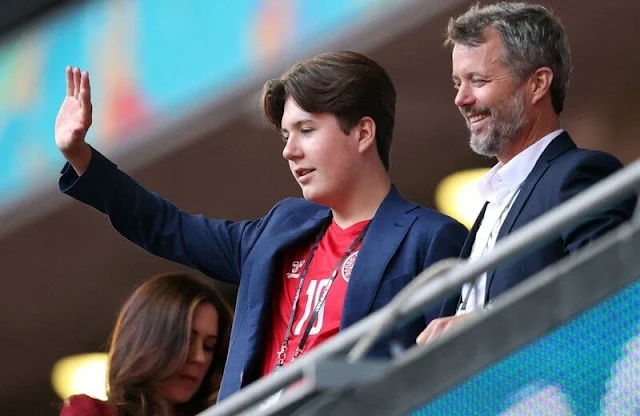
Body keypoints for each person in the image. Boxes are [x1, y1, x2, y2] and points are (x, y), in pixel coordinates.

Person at [55, 51, 468, 400]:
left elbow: (440, 374)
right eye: (286, 135)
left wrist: (319, 378)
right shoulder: (280, 228)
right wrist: (81, 157)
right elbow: (167, 227)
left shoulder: (430, 238)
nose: (290, 151)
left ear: (363, 133)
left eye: (306, 130)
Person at [416, 2, 636, 344]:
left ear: (537, 84)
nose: (461, 98)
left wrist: (484, 323)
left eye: (478, 80)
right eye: (458, 82)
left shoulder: (579, 174)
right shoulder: (491, 204)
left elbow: (605, 299)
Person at [60, 272, 233, 416]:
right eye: (187, 340)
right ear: (148, 339)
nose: (200, 358)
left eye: (209, 347)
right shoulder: (91, 412)